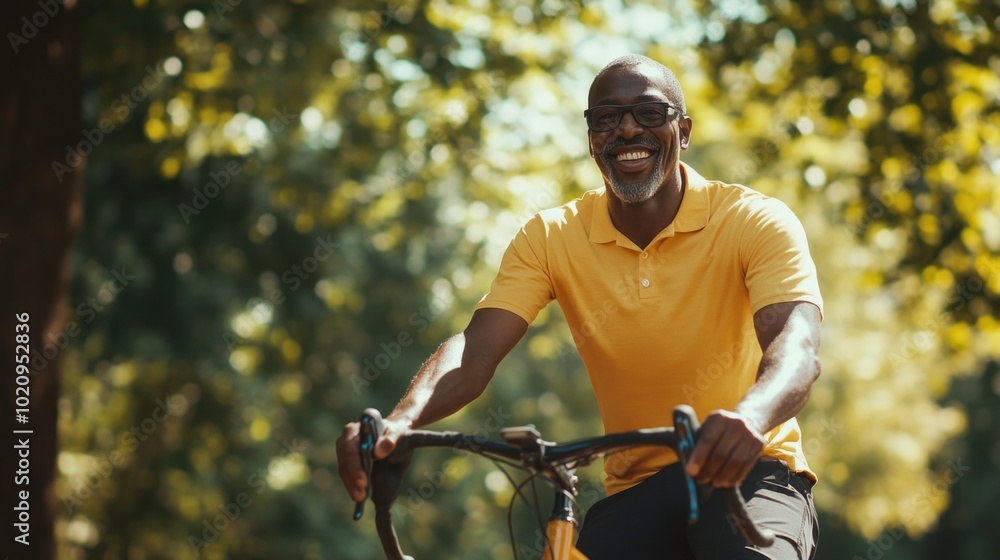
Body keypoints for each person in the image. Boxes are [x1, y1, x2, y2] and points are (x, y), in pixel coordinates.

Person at [337, 54, 822, 559]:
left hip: (752, 469)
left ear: (684, 130)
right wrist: (401, 422)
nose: (627, 129)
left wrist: (749, 416)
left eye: (650, 113)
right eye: (606, 118)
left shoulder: (753, 220)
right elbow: (474, 352)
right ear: (591, 139)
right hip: (636, 489)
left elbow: (796, 347)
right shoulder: (551, 236)